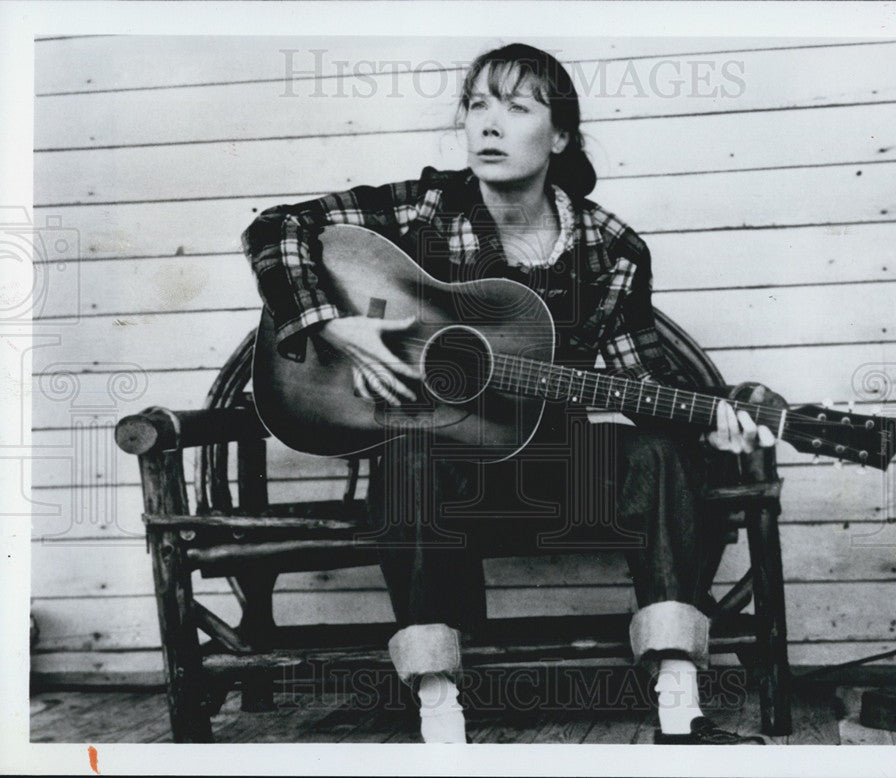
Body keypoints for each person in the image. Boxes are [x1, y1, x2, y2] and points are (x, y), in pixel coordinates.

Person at [242, 43, 775, 744]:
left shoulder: (610, 246)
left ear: (559, 137)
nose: (489, 125)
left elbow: (639, 381)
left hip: (556, 466)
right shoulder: (427, 207)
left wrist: (714, 417)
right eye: (477, 104)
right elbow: (276, 226)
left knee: (657, 445)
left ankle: (679, 698)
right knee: (409, 450)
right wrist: (333, 324)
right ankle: (438, 705)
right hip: (451, 469)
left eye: (517, 107)